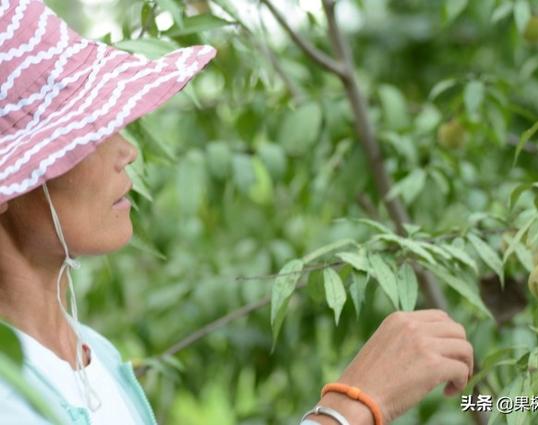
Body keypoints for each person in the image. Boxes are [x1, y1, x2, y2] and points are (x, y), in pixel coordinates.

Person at [0, 1, 475, 424]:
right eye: (86, 135)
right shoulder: (11, 392)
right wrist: (352, 408)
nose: (127, 151)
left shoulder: (92, 355)